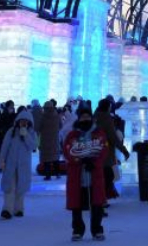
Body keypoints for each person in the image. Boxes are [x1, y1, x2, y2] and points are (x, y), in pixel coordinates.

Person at [63, 104, 109, 241]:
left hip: (94, 173)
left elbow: (104, 150)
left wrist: (93, 162)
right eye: (83, 116)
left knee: (96, 203)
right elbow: (67, 151)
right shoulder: (72, 135)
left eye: (87, 116)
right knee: (76, 204)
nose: (85, 119)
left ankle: (97, 229)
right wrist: (79, 160)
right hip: (77, 173)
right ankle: (77, 229)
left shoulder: (99, 133)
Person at [0, 110, 37, 219]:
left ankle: (19, 209)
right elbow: (5, 146)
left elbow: (33, 146)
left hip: (23, 166)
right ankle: (7, 209)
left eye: (26, 121)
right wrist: (1, 159)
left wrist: (26, 136)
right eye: (21, 121)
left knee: (21, 188)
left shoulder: (32, 133)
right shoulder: (11, 132)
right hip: (11, 164)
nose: (23, 123)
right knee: (10, 187)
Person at [39, 101, 63, 180]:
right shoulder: (57, 116)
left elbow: (39, 127)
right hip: (54, 139)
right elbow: (61, 126)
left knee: (46, 159)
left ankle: (48, 175)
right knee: (55, 158)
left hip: (45, 140)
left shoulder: (42, 117)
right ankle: (58, 173)